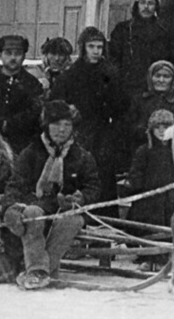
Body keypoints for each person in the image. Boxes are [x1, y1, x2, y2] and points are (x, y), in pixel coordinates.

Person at [0, 100, 100, 290]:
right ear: (46, 126)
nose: (62, 130)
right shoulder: (31, 153)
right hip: (35, 205)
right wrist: (11, 208)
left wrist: (81, 198)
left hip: (65, 209)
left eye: (67, 125)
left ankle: (38, 272)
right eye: (56, 124)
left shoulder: (82, 156)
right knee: (32, 214)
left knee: (72, 221)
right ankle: (39, 270)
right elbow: (15, 186)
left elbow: (93, 186)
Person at [50, 27, 130, 215]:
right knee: (75, 175)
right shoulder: (71, 75)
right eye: (91, 46)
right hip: (76, 133)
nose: (96, 51)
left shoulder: (110, 73)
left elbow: (122, 106)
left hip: (103, 133)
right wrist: (67, 110)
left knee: (102, 178)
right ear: (83, 48)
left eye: (99, 47)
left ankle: (104, 220)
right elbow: (55, 104)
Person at [126, 109, 174, 272]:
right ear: (151, 130)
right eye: (158, 128)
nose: (162, 131)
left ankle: (165, 255)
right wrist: (136, 185)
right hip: (149, 197)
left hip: (172, 197)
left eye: (166, 127)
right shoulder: (144, 151)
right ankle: (149, 255)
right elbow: (136, 173)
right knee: (148, 214)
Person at [109, 0, 174, 97]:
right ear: (137, 5)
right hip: (130, 87)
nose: (146, 7)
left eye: (150, 3)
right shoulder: (123, 29)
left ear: (156, 6)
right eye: (143, 2)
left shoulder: (166, 31)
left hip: (157, 87)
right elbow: (114, 59)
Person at [125, 60, 174, 154]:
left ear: (173, 79)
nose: (161, 80)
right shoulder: (139, 100)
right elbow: (130, 127)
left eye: (166, 76)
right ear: (150, 77)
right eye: (157, 76)